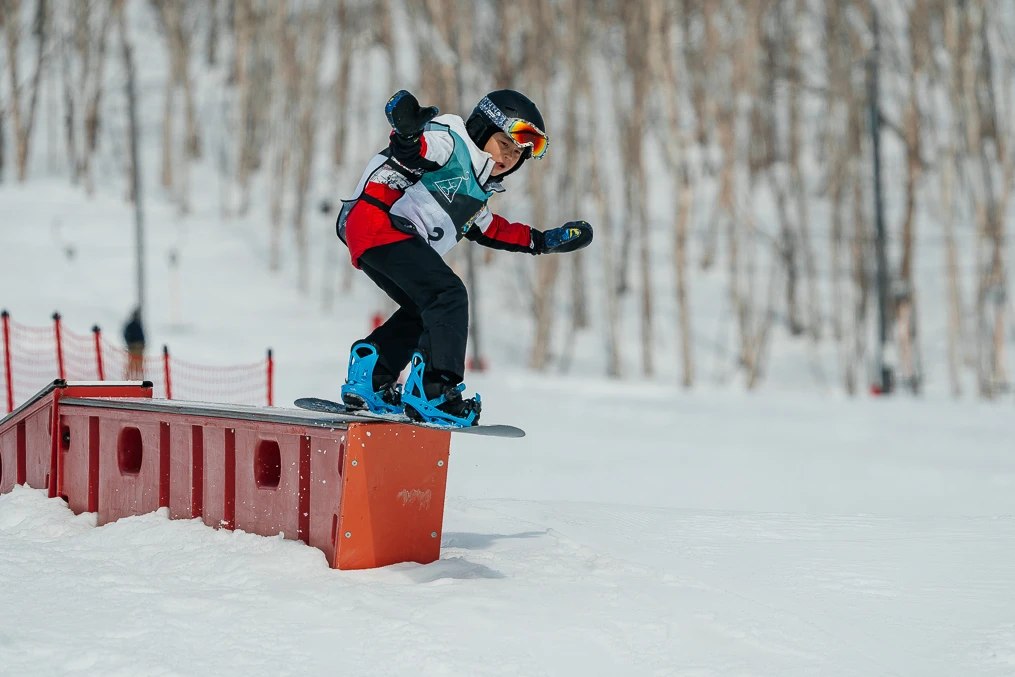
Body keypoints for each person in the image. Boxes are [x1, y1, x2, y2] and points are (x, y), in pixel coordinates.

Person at [335, 89, 593, 427]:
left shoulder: (475, 189)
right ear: (483, 130)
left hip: (372, 233)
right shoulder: (451, 141)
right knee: (448, 295)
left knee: (425, 310)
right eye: (505, 144)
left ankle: (371, 376)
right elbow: (418, 150)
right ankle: (435, 391)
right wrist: (408, 133)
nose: (509, 156)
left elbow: (491, 229)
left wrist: (542, 241)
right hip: (380, 220)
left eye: (517, 154)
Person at [123, 307, 146, 380]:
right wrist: (129, 343)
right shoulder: (132, 325)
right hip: (134, 346)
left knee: (138, 363)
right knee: (133, 362)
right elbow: (126, 335)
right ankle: (130, 377)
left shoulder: (138, 324)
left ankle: (138, 378)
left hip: (139, 346)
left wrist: (143, 344)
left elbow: (142, 336)